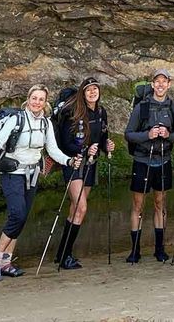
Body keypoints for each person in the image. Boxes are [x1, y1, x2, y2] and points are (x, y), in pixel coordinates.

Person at [0, 85, 82, 281]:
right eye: (34, 98)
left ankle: (7, 261)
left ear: (45, 103)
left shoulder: (46, 124)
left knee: (21, 218)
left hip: (32, 174)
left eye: (41, 99)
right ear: (28, 99)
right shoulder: (16, 119)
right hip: (12, 172)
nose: (37, 102)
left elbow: (53, 151)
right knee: (17, 214)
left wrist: (69, 161)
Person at [53, 76, 116, 270]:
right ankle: (65, 256)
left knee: (75, 208)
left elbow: (103, 137)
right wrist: (83, 150)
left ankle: (63, 252)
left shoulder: (101, 112)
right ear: (83, 92)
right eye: (88, 89)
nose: (92, 92)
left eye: (95, 89)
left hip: (91, 164)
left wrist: (107, 145)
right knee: (81, 208)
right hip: (75, 163)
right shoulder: (74, 112)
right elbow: (65, 143)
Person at [123, 68, 174, 263]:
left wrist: (168, 135)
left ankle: (159, 249)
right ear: (152, 84)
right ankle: (135, 250)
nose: (160, 84)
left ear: (169, 84)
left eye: (164, 81)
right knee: (138, 205)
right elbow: (129, 134)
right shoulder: (142, 107)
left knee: (160, 203)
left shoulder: (173, 106)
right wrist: (147, 135)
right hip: (142, 160)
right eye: (157, 81)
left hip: (163, 160)